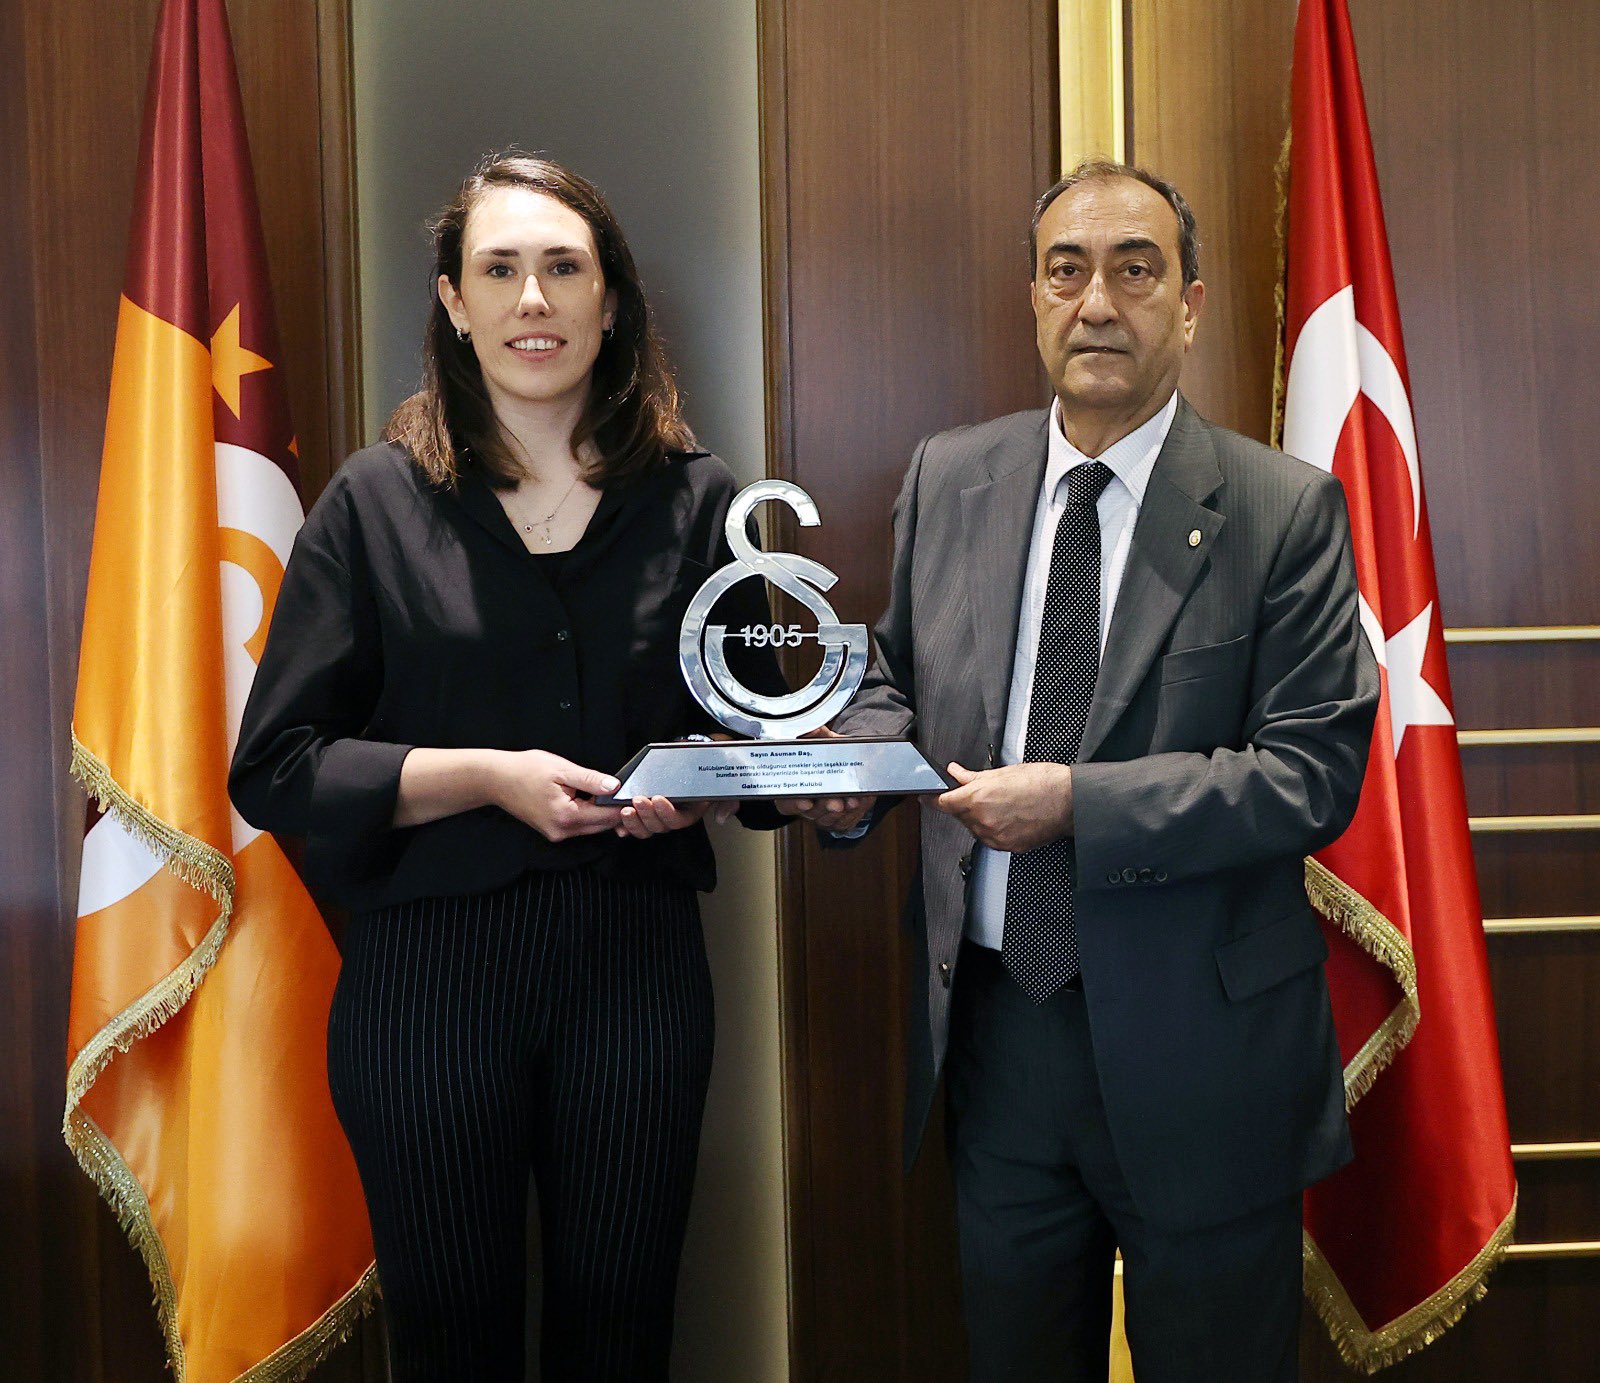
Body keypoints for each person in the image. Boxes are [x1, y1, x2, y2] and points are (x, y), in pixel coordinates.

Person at [788, 161, 1380, 1381]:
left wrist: (1076, 806)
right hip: (1000, 1042)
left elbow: (1308, 775)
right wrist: (851, 769)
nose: (1096, 302)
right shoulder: (950, 474)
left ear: (1190, 304)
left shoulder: (1281, 509)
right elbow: (894, 674)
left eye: (1134, 270)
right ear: (1033, 298)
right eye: (1066, 271)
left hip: (1204, 1055)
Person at [229, 151, 784, 1382]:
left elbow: (761, 739)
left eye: (563, 268)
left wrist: (698, 783)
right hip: (426, 985)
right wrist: (484, 776)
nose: (533, 299)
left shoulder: (701, 502)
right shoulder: (372, 505)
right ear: (453, 300)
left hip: (635, 974)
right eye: (499, 269)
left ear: (610, 299)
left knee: (621, 1333)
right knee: (451, 1342)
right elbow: (277, 768)